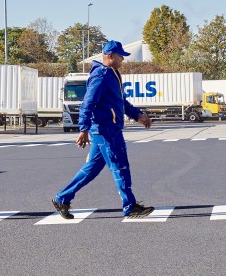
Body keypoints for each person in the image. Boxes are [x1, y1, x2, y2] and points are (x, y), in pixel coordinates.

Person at [52, 41, 156, 219]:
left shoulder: (112, 73)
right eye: (120, 55)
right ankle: (130, 206)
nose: (123, 58)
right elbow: (88, 103)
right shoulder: (101, 76)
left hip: (107, 128)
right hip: (105, 129)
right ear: (110, 56)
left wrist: (138, 115)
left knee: (91, 169)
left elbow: (120, 102)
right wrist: (83, 129)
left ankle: (62, 198)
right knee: (120, 166)